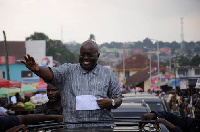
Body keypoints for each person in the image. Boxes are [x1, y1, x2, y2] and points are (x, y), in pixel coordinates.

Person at [21, 40, 122, 130]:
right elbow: (52, 74)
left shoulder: (108, 74)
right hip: (73, 127)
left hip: (101, 127)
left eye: (90, 55)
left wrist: (111, 102)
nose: (85, 58)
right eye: (82, 55)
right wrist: (37, 69)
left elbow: (118, 98)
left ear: (98, 55)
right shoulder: (68, 70)